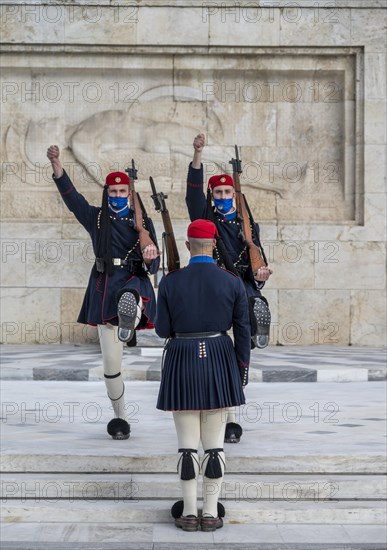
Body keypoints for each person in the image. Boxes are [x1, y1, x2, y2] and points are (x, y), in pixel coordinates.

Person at [47, 145, 160, 440]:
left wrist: (150, 255)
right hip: (105, 287)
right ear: (107, 193)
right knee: (111, 365)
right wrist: (57, 165)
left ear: (130, 195)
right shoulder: (97, 219)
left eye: (123, 192)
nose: (118, 196)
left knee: (131, 297)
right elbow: (73, 200)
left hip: (133, 282)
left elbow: (155, 263)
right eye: (114, 192)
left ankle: (129, 319)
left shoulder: (143, 224)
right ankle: (120, 417)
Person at [155, 219, 250, 532]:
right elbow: (243, 330)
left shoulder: (170, 282)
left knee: (186, 446)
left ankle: (187, 511)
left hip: (182, 357)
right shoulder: (232, 281)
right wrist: (241, 369)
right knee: (214, 446)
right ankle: (210, 513)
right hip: (220, 357)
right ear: (214, 245)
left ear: (187, 246)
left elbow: (162, 330)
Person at [186, 133, 273, 444]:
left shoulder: (248, 224)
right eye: (218, 192)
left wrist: (261, 274)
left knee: (249, 314)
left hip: (241, 287)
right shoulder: (205, 219)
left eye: (227, 192)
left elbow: (258, 259)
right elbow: (193, 193)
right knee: (222, 352)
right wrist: (198, 155)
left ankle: (255, 324)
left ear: (235, 196)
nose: (223, 196)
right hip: (214, 287)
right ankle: (230, 417)